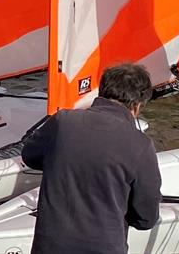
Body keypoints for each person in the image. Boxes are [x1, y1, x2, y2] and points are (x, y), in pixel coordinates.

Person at [22, 63, 162, 254]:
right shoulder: (140, 145)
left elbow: (29, 156)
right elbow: (146, 219)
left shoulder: (63, 121)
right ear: (137, 105)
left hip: (49, 246)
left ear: (101, 90)